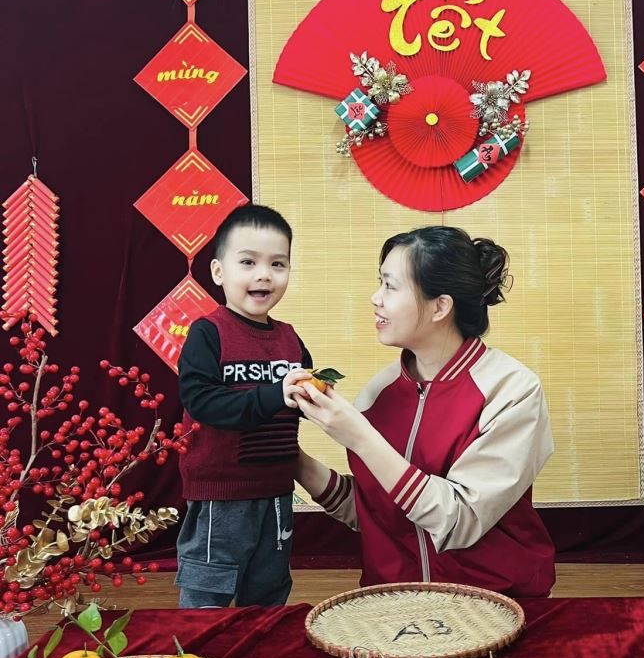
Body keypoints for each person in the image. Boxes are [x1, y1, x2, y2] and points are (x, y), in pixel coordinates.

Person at [291, 227, 556, 597]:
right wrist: (292, 459)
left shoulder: (511, 390)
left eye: (390, 286)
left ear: (440, 307)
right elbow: (373, 512)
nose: (375, 298)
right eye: (379, 283)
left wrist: (360, 437)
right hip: (395, 603)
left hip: (493, 602)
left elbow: (459, 521)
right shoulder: (377, 393)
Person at [174, 203, 311, 608]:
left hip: (277, 492)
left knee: (269, 594)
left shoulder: (290, 339)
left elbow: (299, 399)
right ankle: (200, 649)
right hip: (221, 496)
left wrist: (314, 399)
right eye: (248, 262)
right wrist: (275, 395)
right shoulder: (208, 333)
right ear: (219, 272)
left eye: (277, 264)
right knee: (208, 598)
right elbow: (202, 402)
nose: (264, 274)